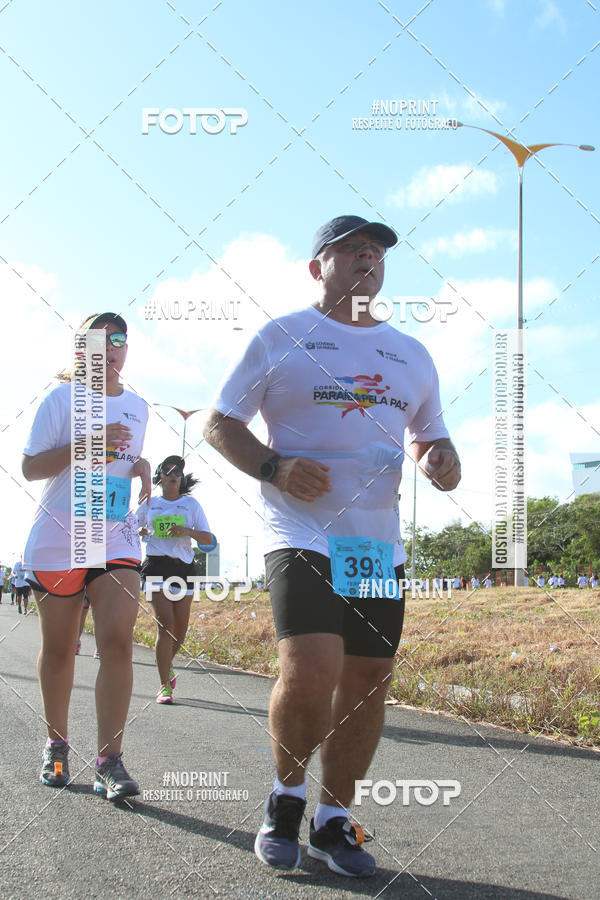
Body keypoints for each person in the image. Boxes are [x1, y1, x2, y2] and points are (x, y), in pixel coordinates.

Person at [204, 214, 461, 877]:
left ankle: (333, 819)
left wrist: (441, 458)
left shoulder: (412, 353)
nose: (367, 259)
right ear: (318, 267)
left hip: (374, 544)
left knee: (369, 681)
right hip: (301, 529)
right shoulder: (281, 336)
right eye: (350, 251)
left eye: (375, 252)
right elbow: (218, 422)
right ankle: (286, 800)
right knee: (311, 667)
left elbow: (432, 434)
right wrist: (273, 467)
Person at [21, 312, 150, 799]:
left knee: (117, 641)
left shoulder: (139, 408)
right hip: (60, 534)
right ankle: (56, 745)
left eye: (119, 340)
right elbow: (31, 467)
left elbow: (120, 464)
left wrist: (140, 468)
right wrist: (89, 444)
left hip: (114, 536)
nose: (112, 348)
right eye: (101, 340)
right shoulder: (61, 400)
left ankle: (109, 762)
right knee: (60, 649)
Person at [137, 455, 214, 704]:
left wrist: (187, 531)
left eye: (178, 471)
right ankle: (163, 686)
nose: (174, 474)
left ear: (181, 479)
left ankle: (166, 666)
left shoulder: (191, 505)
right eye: (168, 470)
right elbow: (131, 526)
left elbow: (207, 539)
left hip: (184, 569)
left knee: (180, 632)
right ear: (160, 476)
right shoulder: (150, 503)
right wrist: (141, 531)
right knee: (165, 624)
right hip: (156, 566)